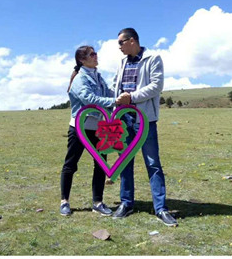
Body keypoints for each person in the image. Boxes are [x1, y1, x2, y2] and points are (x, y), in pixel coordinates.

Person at [110, 28, 177, 227]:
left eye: (121, 43)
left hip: (145, 120)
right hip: (124, 119)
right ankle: (126, 203)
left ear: (132, 41)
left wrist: (131, 97)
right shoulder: (122, 62)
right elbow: (116, 84)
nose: (119, 47)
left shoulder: (153, 58)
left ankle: (161, 208)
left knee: (153, 163)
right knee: (124, 162)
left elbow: (156, 86)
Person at [61, 46, 116, 217]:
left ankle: (98, 202)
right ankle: (64, 201)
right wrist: (114, 101)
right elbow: (89, 99)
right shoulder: (80, 79)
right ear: (82, 60)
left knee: (100, 164)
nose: (96, 55)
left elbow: (108, 92)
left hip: (99, 128)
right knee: (71, 164)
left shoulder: (98, 77)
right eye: (92, 54)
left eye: (95, 53)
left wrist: (124, 97)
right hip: (80, 128)